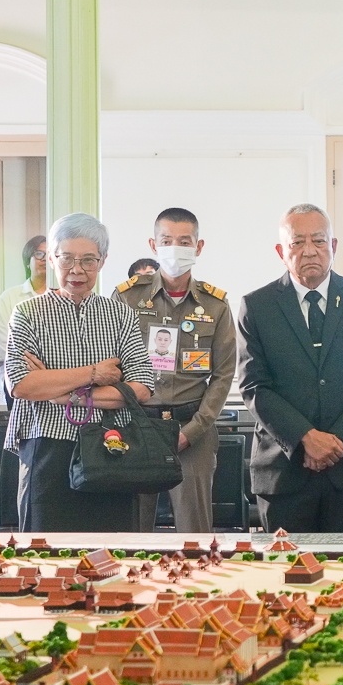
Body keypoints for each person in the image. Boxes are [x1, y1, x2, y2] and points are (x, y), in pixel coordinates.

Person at [237, 203, 343, 532]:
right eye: (297, 242)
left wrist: (336, 442)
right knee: (284, 564)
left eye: (319, 240)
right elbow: (254, 386)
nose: (309, 250)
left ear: (333, 246)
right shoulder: (257, 306)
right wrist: (305, 438)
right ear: (281, 251)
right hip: (284, 471)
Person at [4, 213, 154, 531]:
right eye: (67, 258)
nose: (77, 270)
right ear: (51, 258)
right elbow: (21, 384)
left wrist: (63, 395)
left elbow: (141, 386)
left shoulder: (121, 314)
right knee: (45, 551)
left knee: (113, 551)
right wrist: (94, 373)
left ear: (102, 261)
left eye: (88, 260)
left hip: (112, 447)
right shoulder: (27, 313)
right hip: (46, 446)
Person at [112, 208, 238, 535]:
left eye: (184, 242)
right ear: (153, 245)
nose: (175, 249)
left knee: (194, 533)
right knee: (132, 530)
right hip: (137, 426)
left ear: (199, 247)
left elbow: (223, 376)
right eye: (167, 241)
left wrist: (193, 431)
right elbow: (112, 363)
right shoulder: (127, 297)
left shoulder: (215, 305)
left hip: (192, 427)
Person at [0, 235, 48, 404]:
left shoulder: (64, 297)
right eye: (39, 254)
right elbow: (5, 343)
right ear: (27, 260)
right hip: (19, 379)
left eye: (49, 254)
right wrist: (37, 368)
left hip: (59, 381)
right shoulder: (9, 298)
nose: (44, 259)